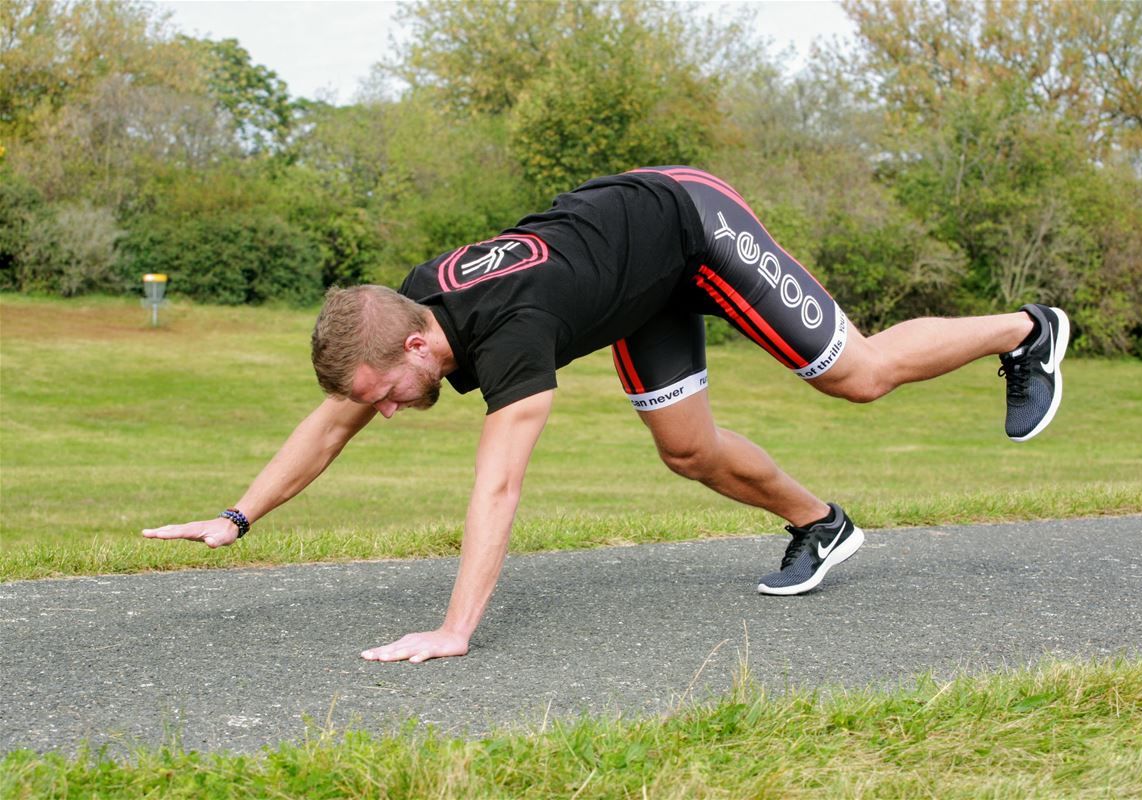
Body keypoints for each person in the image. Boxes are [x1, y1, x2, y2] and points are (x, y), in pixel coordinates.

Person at [143, 166, 1069, 663]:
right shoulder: (415, 309)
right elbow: (332, 419)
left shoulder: (509, 338)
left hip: (689, 223)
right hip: (640, 281)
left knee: (856, 375)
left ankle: (1027, 329)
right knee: (687, 451)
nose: (384, 414)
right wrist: (238, 517)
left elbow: (499, 482)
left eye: (384, 395)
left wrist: (455, 628)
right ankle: (822, 525)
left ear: (418, 351)